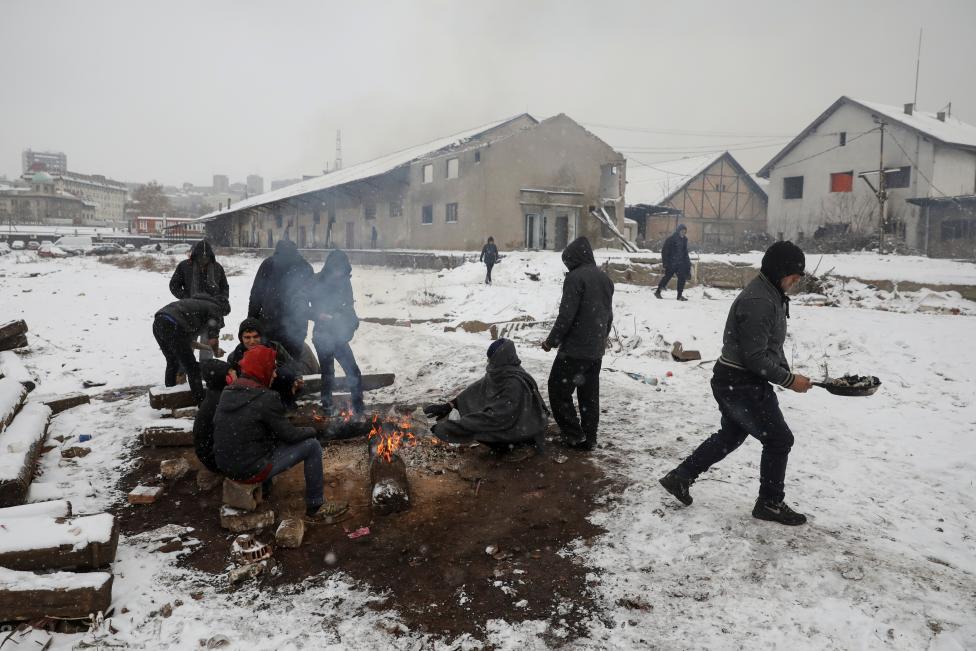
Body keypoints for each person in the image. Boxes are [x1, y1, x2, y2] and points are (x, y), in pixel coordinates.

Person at [659, 241, 812, 526]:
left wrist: (785, 372)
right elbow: (755, 358)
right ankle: (769, 503)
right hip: (742, 382)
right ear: (779, 271)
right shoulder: (760, 301)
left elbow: (770, 345)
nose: (795, 282)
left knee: (731, 435)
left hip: (736, 379)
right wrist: (789, 380)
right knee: (779, 440)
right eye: (793, 276)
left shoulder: (771, 293)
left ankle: (680, 477)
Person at [213, 345, 348, 520]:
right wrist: (313, 430)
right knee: (312, 446)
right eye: (272, 369)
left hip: (226, 465)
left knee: (263, 438)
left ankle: (266, 487)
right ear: (262, 369)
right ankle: (316, 506)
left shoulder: (228, 392)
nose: (275, 374)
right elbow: (290, 435)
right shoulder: (265, 398)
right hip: (250, 469)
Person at [541, 237, 614, 451]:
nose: (567, 266)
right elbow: (608, 316)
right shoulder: (605, 279)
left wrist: (551, 341)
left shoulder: (575, 278)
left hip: (574, 350)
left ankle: (573, 435)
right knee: (589, 395)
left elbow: (566, 316)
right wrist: (601, 339)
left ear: (574, 258)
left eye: (568, 261)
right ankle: (589, 438)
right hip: (595, 350)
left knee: (557, 390)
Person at [425, 339, 550, 452]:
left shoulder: (514, 384)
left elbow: (493, 419)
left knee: (480, 431)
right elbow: (474, 391)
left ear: (500, 359)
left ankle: (519, 448)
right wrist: (449, 405)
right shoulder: (501, 372)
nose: (488, 363)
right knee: (477, 423)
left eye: (491, 360)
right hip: (509, 422)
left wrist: (449, 428)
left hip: (523, 430)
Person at [307, 250, 364, 416]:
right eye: (337, 269)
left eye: (342, 270)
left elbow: (349, 305)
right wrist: (318, 315)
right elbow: (303, 308)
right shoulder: (315, 280)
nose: (339, 273)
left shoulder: (345, 281)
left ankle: (359, 407)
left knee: (353, 371)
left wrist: (351, 321)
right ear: (330, 268)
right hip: (321, 334)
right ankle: (327, 407)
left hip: (339, 334)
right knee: (328, 373)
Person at [152, 294, 231, 403]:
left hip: (159, 322)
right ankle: (200, 401)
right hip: (172, 325)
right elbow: (213, 340)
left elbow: (188, 342)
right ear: (223, 310)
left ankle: (169, 397)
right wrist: (216, 352)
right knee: (192, 367)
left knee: (172, 362)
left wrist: (210, 349)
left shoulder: (195, 306)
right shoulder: (215, 309)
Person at [247, 239, 314, 360]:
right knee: (291, 364)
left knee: (268, 362)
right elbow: (312, 296)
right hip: (295, 328)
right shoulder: (305, 267)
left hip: (270, 324)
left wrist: (251, 321)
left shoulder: (269, 264)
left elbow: (256, 295)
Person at [169, 240, 230, 360]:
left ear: (211, 257)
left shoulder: (217, 268)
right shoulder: (185, 266)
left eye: (206, 258)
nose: (203, 260)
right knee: (188, 344)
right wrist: (186, 298)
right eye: (200, 257)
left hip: (210, 313)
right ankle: (186, 367)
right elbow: (174, 286)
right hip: (189, 312)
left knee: (208, 344)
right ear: (195, 256)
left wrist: (219, 301)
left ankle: (206, 367)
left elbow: (224, 288)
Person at [227, 317, 304, 407]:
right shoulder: (234, 356)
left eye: (255, 336)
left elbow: (292, 365)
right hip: (249, 395)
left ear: (261, 336)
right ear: (241, 338)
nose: (252, 341)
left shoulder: (274, 347)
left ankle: (285, 407)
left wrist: (297, 380)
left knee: (284, 374)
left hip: (275, 389)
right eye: (247, 337)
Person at [194, 359, 232, 474]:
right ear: (227, 378)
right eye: (232, 372)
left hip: (209, 454)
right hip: (215, 460)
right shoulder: (223, 401)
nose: (236, 374)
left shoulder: (214, 393)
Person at [655, 224, 692, 301]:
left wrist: (688, 263)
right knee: (667, 277)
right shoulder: (671, 239)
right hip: (671, 263)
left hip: (680, 263)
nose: (683, 233)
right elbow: (664, 251)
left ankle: (679, 296)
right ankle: (658, 292)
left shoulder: (685, 239)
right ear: (678, 231)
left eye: (684, 232)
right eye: (682, 231)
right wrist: (665, 263)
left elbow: (685, 252)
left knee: (682, 278)